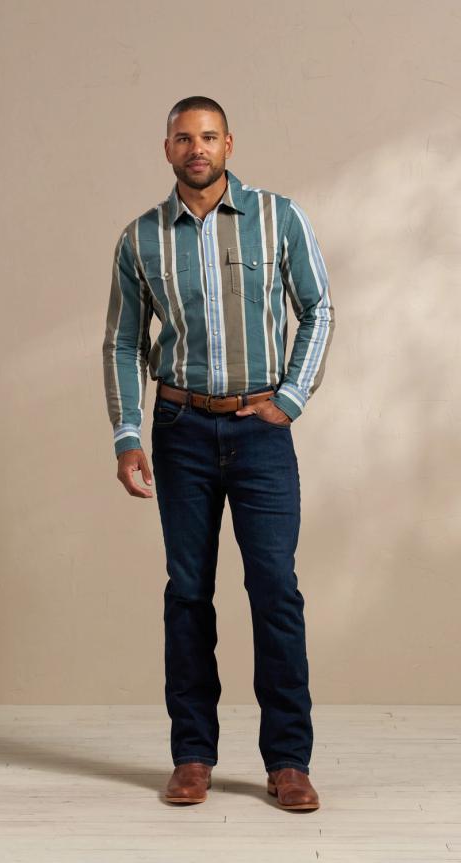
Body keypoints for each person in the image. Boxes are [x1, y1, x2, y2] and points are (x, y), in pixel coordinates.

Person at [102, 96, 336, 811]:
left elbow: (318, 306)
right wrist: (128, 433)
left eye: (208, 136)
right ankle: (192, 755)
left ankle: (288, 761)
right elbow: (120, 342)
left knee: (275, 591)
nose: (196, 148)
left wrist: (290, 398)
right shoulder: (141, 238)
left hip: (260, 431)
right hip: (180, 431)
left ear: (229, 142)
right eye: (183, 138)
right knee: (188, 594)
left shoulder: (278, 217)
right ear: (167, 148)